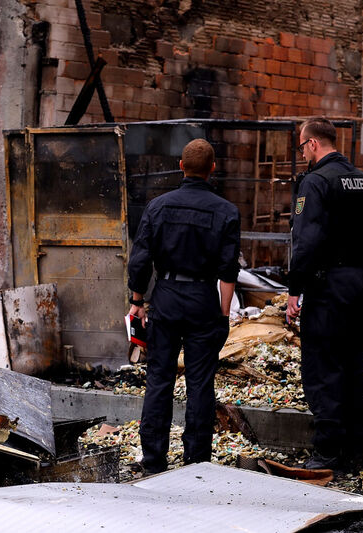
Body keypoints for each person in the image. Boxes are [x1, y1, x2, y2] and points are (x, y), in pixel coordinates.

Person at [127, 138, 240, 474]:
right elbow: (228, 271)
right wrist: (223, 314)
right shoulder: (226, 211)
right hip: (203, 299)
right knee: (200, 382)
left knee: (159, 378)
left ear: (181, 166)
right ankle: (196, 461)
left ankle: (153, 459)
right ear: (212, 169)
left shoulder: (158, 207)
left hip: (166, 298)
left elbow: (140, 259)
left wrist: (137, 302)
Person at [287, 117, 363, 470]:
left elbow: (306, 241)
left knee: (324, 365)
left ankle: (328, 450)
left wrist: (294, 289)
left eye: (302, 146)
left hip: (328, 285)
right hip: (360, 285)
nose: (303, 154)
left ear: (313, 143)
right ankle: (356, 446)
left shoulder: (315, 182)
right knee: (353, 362)